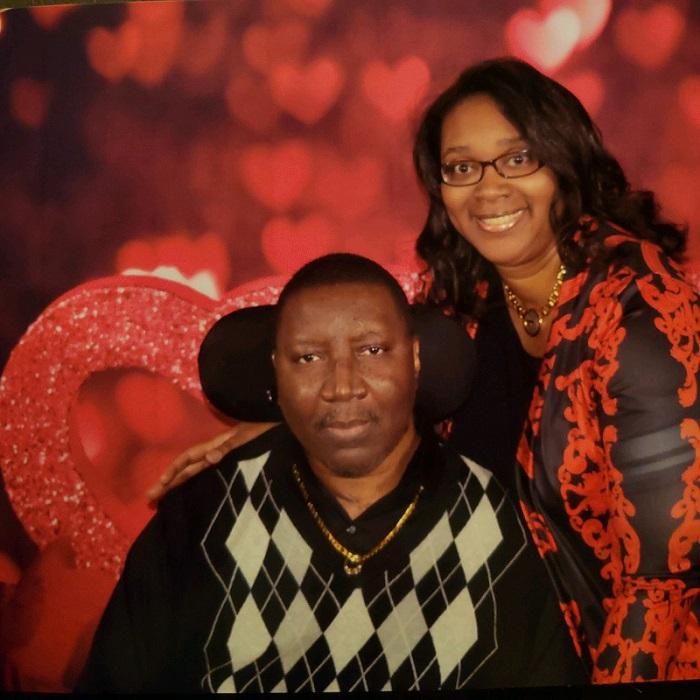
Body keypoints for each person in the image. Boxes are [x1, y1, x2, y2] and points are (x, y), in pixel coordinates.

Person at [148, 58, 700, 683]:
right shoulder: (462, 303)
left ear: (566, 164)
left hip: (618, 659)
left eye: (518, 159)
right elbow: (378, 393)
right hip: (496, 651)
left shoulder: (643, 314)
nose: (489, 189)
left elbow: (663, 586)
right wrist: (290, 431)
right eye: (462, 167)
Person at [77, 254, 584, 692]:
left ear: (414, 358)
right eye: (309, 357)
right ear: (277, 369)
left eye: (371, 351)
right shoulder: (206, 514)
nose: (342, 386)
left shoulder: (490, 520)